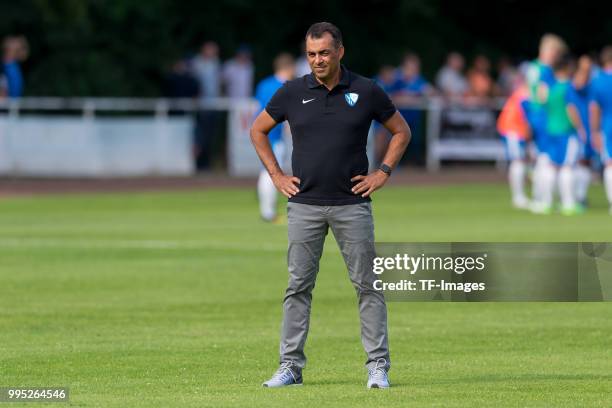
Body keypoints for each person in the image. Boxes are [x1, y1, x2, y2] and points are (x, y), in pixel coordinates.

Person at [250, 22, 410, 389]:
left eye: (323, 53)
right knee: (297, 287)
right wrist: (276, 175)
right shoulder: (291, 92)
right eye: (311, 54)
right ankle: (290, 366)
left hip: (352, 205)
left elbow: (401, 131)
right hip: (304, 205)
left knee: (368, 286)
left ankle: (378, 367)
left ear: (339, 51)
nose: (317, 60)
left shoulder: (366, 90)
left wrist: (382, 172)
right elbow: (257, 130)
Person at [535, 53, 585, 215]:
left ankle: (547, 203)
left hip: (551, 131)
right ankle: (568, 204)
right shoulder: (568, 87)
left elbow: (542, 103)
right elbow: (571, 110)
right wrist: (580, 128)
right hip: (566, 132)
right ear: (567, 68)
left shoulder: (551, 89)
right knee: (567, 167)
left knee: (551, 166)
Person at [525, 34, 567, 212]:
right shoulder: (545, 70)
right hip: (544, 116)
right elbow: (543, 94)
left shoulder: (532, 67)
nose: (557, 58)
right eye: (556, 53)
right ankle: (545, 200)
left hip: (534, 114)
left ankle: (540, 198)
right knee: (547, 158)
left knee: (541, 157)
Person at [254, 53, 296, 222]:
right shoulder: (286, 86)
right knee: (270, 172)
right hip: (274, 135)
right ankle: (267, 212)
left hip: (261, 132)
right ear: (289, 68)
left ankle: (267, 210)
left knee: (266, 171)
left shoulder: (264, 84)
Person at [497, 74, 531, 209]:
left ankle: (521, 196)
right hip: (513, 129)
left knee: (521, 161)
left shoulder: (523, 91)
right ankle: (518, 197)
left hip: (515, 129)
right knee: (518, 161)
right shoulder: (525, 93)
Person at [191, 41, 222, 171]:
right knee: (200, 136)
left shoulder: (216, 63)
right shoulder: (197, 63)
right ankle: (199, 164)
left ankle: (207, 164)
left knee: (210, 135)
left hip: (213, 104)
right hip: (201, 106)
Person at [590, 46, 612, 214]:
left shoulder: (597, 80)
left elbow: (594, 108)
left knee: (609, 164)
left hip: (607, 125)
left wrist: (594, 131)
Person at [572, 55, 596, 206]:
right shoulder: (576, 84)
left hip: (589, 126)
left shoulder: (593, 84)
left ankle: (580, 195)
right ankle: (576, 196)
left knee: (586, 162)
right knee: (578, 161)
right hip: (579, 128)